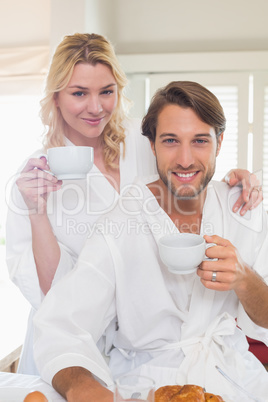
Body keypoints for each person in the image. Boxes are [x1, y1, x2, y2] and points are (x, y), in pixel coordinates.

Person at [5, 33, 261, 375]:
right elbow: (54, 295)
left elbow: (190, 169)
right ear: (56, 96)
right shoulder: (35, 177)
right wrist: (36, 212)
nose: (95, 107)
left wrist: (237, 178)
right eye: (79, 93)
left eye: (106, 91)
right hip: (77, 339)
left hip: (146, 343)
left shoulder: (143, 144)